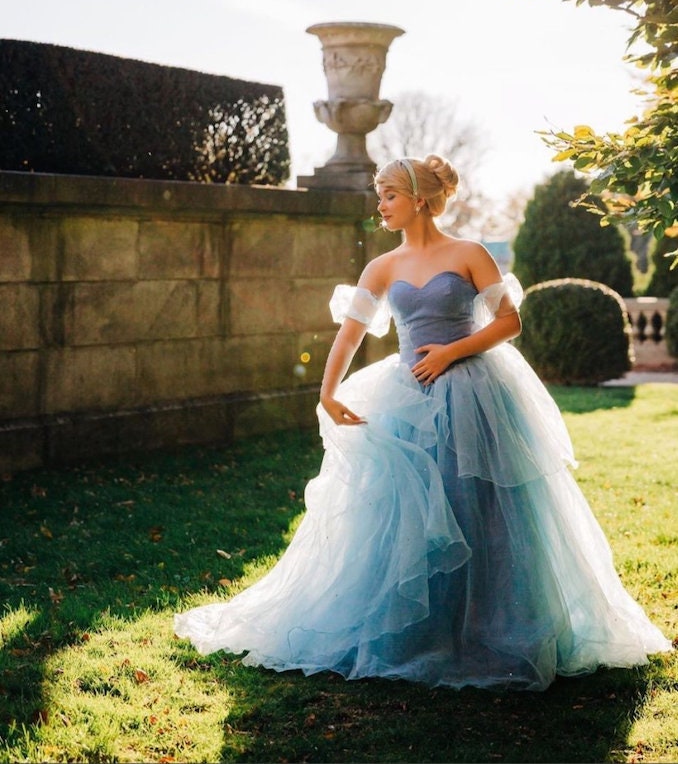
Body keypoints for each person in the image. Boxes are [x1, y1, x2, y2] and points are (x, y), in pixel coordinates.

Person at [174, 154, 671, 691]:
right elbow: (350, 333)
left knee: (483, 506)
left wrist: (451, 352)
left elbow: (509, 321)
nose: (381, 206)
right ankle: (418, 630)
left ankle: (495, 626)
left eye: (389, 195)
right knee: (409, 511)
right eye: (379, 195)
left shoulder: (470, 253)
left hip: (476, 392)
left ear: (418, 199)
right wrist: (326, 391)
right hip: (407, 396)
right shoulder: (382, 267)